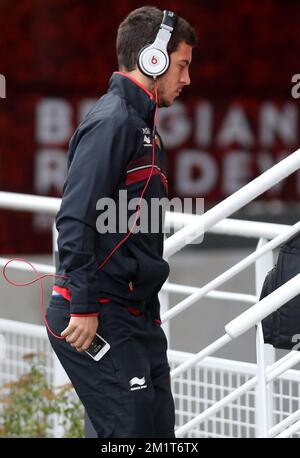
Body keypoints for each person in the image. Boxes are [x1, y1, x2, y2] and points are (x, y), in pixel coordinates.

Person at [46, 6, 196, 438]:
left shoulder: (142, 126)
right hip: (96, 312)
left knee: (155, 430)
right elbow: (75, 219)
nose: (186, 79)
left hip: (135, 316)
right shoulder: (112, 121)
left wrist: (146, 308)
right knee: (131, 432)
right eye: (182, 65)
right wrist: (84, 304)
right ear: (154, 59)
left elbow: (134, 232)